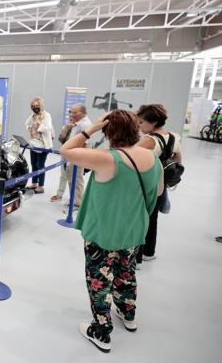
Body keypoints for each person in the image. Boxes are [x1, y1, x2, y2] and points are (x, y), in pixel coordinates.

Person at [60, 110, 163, 353]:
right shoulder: (152, 158)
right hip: (133, 230)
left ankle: (101, 331)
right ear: (135, 128)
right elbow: (157, 193)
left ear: (109, 131)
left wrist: (91, 128)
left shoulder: (107, 158)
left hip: (103, 232)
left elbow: (66, 150)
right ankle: (128, 314)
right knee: (126, 272)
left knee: (99, 280)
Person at [135, 104, 182, 264]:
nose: (139, 126)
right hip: (159, 185)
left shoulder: (149, 140)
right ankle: (149, 252)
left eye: (141, 122)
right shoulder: (174, 137)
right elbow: (178, 160)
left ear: (153, 122)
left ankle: (136, 258)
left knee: (139, 219)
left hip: (143, 185)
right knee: (152, 218)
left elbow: (129, 158)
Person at [24, 97, 53, 194]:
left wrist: (38, 123)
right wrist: (31, 128)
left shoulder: (47, 115)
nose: (34, 108)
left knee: (40, 165)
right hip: (34, 143)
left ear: (41, 105)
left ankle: (41, 186)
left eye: (37, 106)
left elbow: (47, 128)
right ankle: (34, 183)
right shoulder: (33, 115)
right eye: (32, 106)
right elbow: (26, 123)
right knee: (33, 164)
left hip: (44, 145)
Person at [66, 104, 92, 209]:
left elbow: (85, 143)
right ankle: (74, 199)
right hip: (73, 155)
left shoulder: (85, 124)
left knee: (77, 179)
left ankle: (77, 203)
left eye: (75, 112)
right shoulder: (78, 123)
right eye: (71, 112)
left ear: (83, 112)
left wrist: (77, 157)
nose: (72, 114)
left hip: (77, 156)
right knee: (72, 179)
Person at [51, 110, 73, 202]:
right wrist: (66, 128)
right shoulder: (67, 126)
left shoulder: (81, 127)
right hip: (65, 152)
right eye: (70, 117)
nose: (71, 119)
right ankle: (59, 194)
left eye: (73, 116)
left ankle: (73, 198)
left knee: (72, 176)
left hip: (74, 154)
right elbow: (60, 138)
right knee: (63, 175)